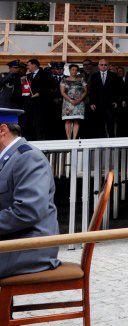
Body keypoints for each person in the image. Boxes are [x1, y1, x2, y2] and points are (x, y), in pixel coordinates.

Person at [0, 107, 61, 278]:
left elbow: (28, 211)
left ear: (2, 130)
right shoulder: (9, 159)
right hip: (14, 242)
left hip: (30, 248)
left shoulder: (27, 157)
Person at [88, 59, 123, 138]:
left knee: (111, 123)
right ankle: (100, 142)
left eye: (105, 65)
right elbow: (91, 90)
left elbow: (117, 90)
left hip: (110, 104)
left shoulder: (113, 75)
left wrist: (116, 101)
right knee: (99, 124)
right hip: (97, 104)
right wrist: (92, 102)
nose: (103, 66)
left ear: (108, 66)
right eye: (102, 65)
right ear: (98, 66)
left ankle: (112, 142)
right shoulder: (94, 76)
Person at [60, 64, 87, 140]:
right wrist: (70, 100)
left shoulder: (81, 79)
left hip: (79, 102)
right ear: (69, 70)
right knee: (68, 120)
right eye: (73, 69)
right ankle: (68, 139)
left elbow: (85, 91)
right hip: (68, 102)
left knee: (76, 120)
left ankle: (74, 138)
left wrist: (79, 99)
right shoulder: (64, 80)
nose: (74, 71)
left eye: (76, 70)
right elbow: (62, 92)